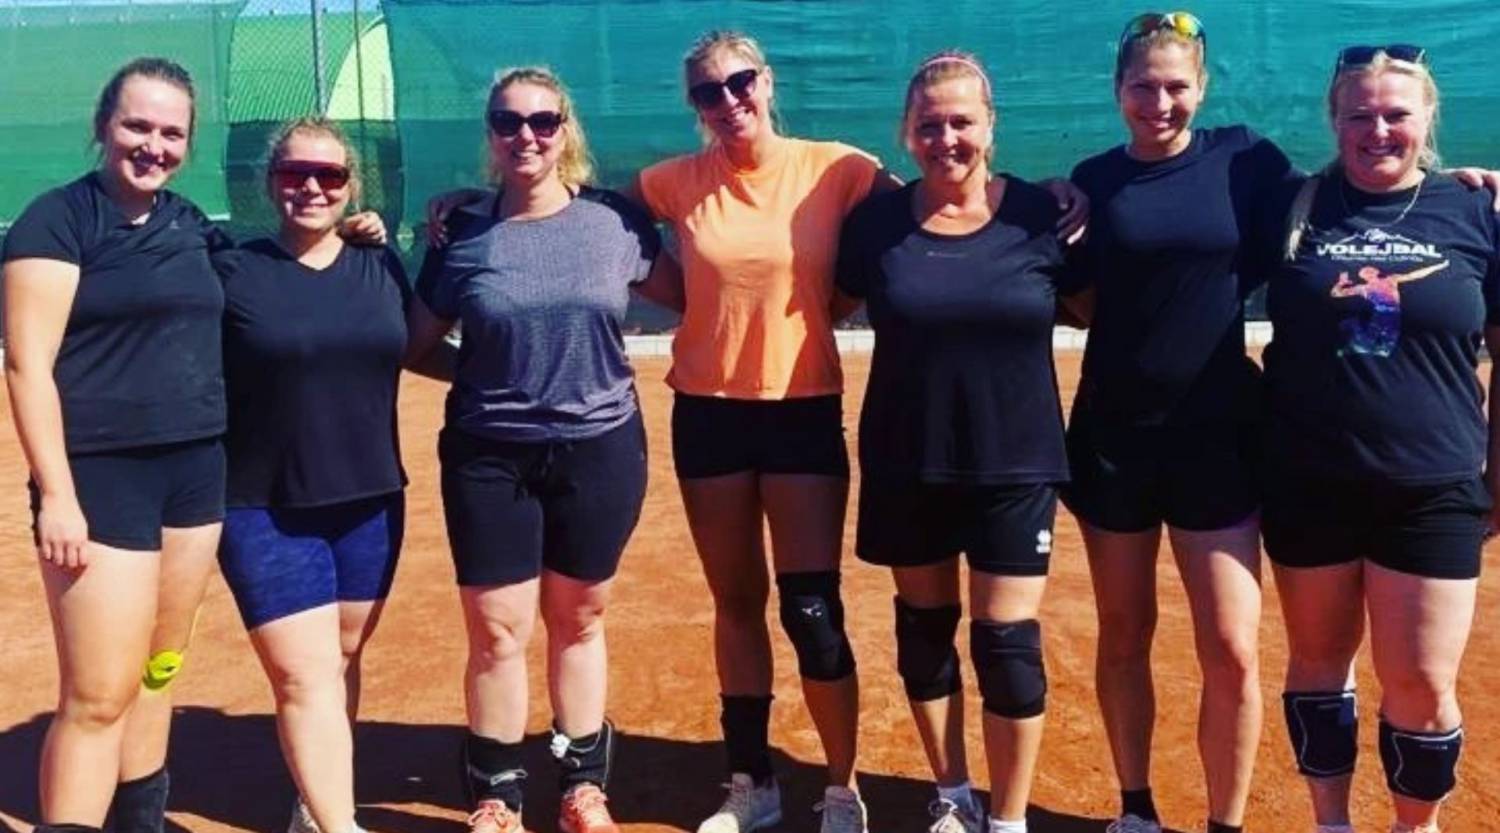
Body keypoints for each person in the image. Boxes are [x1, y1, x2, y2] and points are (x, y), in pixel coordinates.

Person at [629, 30, 895, 833]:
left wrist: (1049, 199)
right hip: (707, 412)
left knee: (811, 606)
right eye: (707, 92)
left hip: (801, 408)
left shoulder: (839, 168)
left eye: (740, 82)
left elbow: (926, 206)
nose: (728, 100)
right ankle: (752, 782)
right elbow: (589, 208)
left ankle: (842, 787)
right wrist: (466, 206)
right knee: (736, 600)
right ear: (695, 106)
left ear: (768, 81)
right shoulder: (673, 181)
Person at [404, 66, 681, 833]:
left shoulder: (614, 223)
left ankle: (583, 786)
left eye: (542, 121)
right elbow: (413, 341)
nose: (525, 134)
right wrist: (485, 372)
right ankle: (497, 795)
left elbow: (694, 295)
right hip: (490, 456)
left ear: (566, 131)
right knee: (498, 629)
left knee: (580, 616)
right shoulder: (462, 233)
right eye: (507, 121)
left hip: (600, 449)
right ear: (490, 135)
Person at [836, 51, 1085, 833]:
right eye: (929, 124)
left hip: (1016, 461)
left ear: (991, 127)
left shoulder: (1043, 216)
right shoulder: (876, 226)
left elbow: (1100, 308)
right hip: (907, 458)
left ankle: (1007, 819)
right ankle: (952, 793)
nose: (946, 138)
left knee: (1007, 644)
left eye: (962, 122)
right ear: (907, 133)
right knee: (924, 634)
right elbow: (818, 297)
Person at [1254, 44, 1497, 833]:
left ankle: (1412, 827)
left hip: (1432, 487)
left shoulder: (1474, 211)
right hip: (1308, 481)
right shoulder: (1290, 206)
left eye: (1397, 114)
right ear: (1335, 119)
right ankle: (1331, 822)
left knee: (1421, 683)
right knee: (1319, 667)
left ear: (1428, 118)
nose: (1378, 129)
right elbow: (1175, 238)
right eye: (1360, 114)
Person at [1061, 14, 1290, 833]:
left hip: (1218, 437)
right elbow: (1079, 295)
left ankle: (1225, 822)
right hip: (1114, 438)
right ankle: (1136, 809)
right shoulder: (1093, 179)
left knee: (1231, 645)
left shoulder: (1247, 160)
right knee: (1124, 632)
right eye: (1142, 86)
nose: (1159, 103)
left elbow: (1341, 199)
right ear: (1117, 90)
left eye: (1175, 86)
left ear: (1202, 86)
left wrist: (1448, 188)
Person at [3, 57, 233, 833]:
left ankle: (140, 821)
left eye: (172, 132)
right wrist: (57, 495)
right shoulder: (56, 220)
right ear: (105, 124)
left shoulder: (190, 223)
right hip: (100, 478)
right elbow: (27, 365)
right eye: (138, 125)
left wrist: (362, 231)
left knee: (158, 669)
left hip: (194, 471)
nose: (153, 145)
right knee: (98, 695)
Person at [214, 117, 409, 833]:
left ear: (351, 186)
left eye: (329, 175)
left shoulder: (381, 264)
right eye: (295, 172)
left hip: (370, 500)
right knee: (304, 674)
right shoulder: (232, 271)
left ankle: (315, 805)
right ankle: (338, 824)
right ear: (270, 183)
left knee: (340, 658)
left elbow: (421, 344)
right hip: (261, 505)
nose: (311, 187)